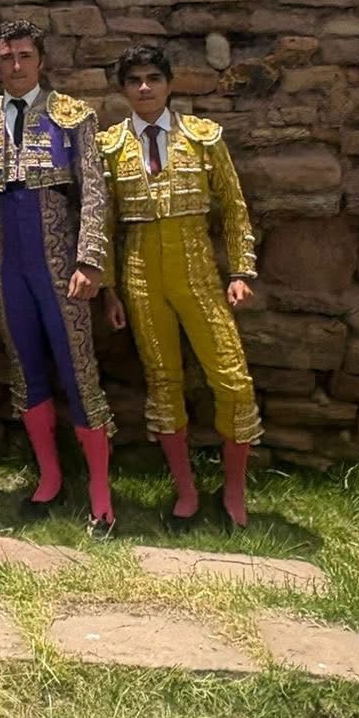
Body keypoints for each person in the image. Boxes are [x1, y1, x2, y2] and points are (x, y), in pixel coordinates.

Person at [99, 45, 260, 528]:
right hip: (140, 273)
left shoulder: (203, 137)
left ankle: (234, 492)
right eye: (134, 81)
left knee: (233, 380)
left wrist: (241, 271)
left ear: (169, 84)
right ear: (123, 90)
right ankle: (186, 491)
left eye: (153, 78)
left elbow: (233, 206)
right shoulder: (111, 146)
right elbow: (104, 224)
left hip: (197, 268)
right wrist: (109, 289)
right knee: (163, 382)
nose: (144, 88)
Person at [0, 21, 116, 534]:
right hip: (4, 262)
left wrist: (90, 260)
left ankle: (100, 491)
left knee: (79, 369)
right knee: (25, 367)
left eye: (24, 56)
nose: (15, 66)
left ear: (41, 61)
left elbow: (94, 192)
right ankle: (50, 477)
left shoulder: (73, 115)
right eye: (7, 57)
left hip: (58, 262)